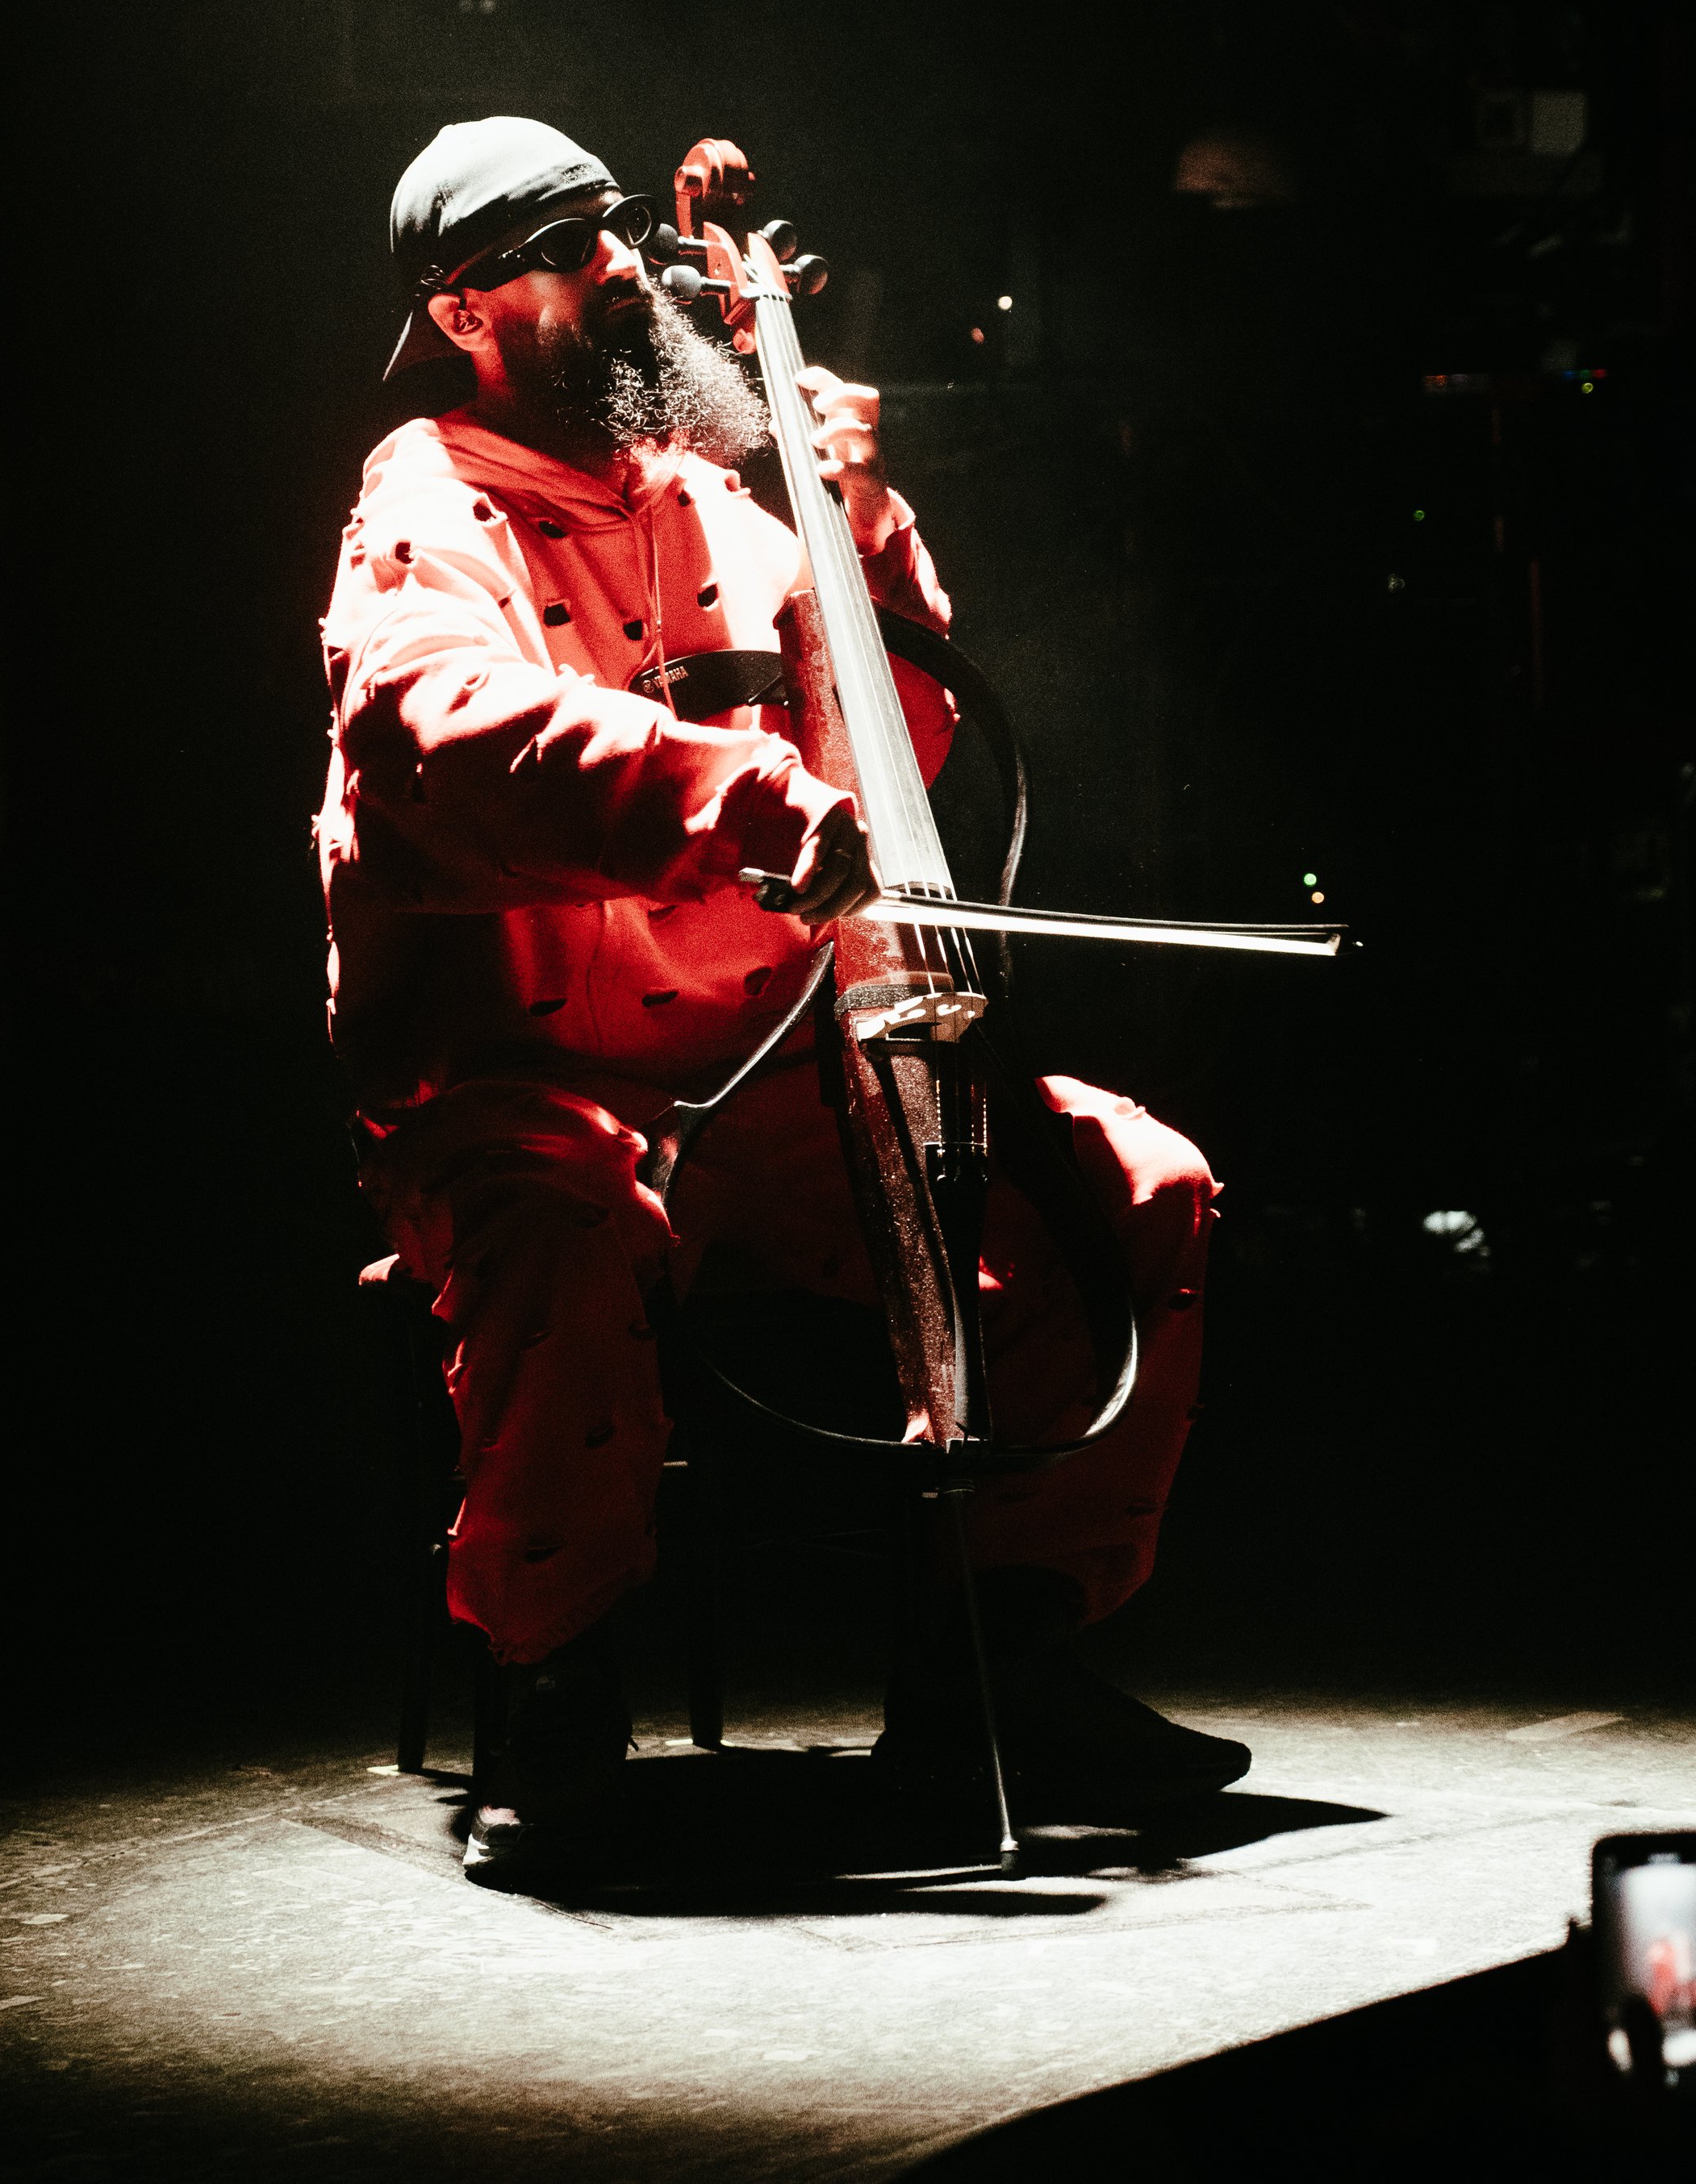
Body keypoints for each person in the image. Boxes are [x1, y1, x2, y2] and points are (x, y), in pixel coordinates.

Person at [318, 115, 1247, 1879]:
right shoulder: (425, 498)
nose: (632, 276)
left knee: (1128, 1189)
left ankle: (1002, 1659)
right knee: (557, 1244)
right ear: (466, 311)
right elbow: (435, 739)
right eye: (577, 253)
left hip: (768, 1079)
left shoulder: (707, 497)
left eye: (619, 238)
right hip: (528, 1082)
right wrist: (737, 798)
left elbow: (897, 749)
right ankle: (554, 1684)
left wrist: (862, 529)